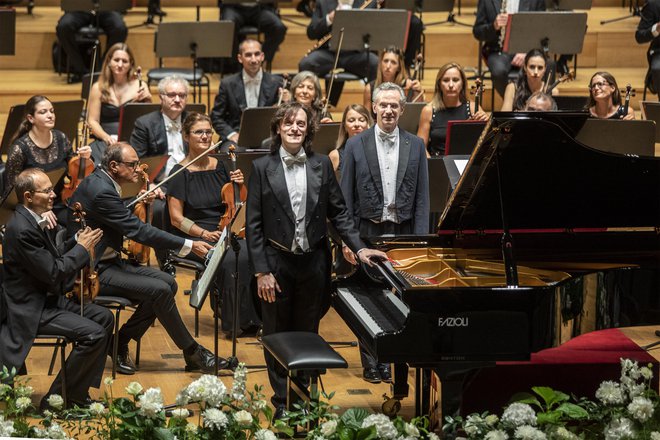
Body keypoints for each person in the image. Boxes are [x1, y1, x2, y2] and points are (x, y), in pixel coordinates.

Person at [245, 101, 386, 418]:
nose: (295, 128)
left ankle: (302, 398)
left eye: (301, 124)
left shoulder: (321, 164)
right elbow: (253, 225)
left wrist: (360, 249)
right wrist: (261, 271)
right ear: (278, 128)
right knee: (276, 331)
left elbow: (339, 213)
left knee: (308, 330)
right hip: (276, 263)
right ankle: (282, 401)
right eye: (288, 123)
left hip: (313, 264)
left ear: (309, 130)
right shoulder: (261, 168)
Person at [67, 143, 228, 375]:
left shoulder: (101, 181)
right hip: (91, 270)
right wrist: (189, 244)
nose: (137, 169)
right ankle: (193, 352)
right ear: (114, 166)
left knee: (169, 283)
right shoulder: (101, 190)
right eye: (132, 165)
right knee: (160, 290)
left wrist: (137, 200)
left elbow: (115, 213)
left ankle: (119, 342)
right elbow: (138, 231)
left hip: (109, 261)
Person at [0, 168, 111, 409]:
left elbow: (53, 257)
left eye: (52, 188)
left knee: (104, 318)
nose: (54, 194)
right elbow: (53, 272)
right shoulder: (21, 229)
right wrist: (81, 249)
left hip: (48, 298)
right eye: (47, 190)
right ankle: (55, 400)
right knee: (94, 335)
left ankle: (77, 392)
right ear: (28, 196)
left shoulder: (34, 218)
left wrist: (74, 242)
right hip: (32, 308)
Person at [340, 83, 430, 382]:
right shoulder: (355, 145)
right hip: (367, 232)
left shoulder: (416, 145)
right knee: (368, 297)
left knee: (400, 299)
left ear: (402, 110)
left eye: (395, 105)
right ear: (374, 108)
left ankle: (392, 359)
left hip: (403, 233)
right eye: (384, 105)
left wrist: (419, 243)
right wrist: (348, 242)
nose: (389, 110)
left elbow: (422, 199)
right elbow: (346, 198)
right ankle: (371, 361)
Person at [167, 113, 261, 335]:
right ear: (186, 136)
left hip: (228, 229)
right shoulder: (179, 172)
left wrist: (240, 185)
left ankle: (256, 319)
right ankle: (235, 322)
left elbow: (238, 204)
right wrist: (205, 233)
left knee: (255, 253)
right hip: (198, 234)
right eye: (199, 132)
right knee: (231, 259)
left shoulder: (224, 166)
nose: (205, 136)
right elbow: (176, 219)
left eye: (208, 131)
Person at [4, 95, 93, 225]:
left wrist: (85, 158)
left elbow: (74, 171)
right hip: (32, 208)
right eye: (43, 112)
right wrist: (39, 209)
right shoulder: (19, 149)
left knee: (86, 220)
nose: (50, 115)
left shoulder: (61, 138)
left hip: (60, 201)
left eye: (51, 111)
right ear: (31, 118)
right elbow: (12, 192)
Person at [299, 0, 379, 105]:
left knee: (376, 63)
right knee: (306, 64)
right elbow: (311, 32)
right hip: (329, 54)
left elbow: (375, 31)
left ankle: (372, 109)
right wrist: (329, 18)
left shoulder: (368, 3)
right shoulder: (323, 2)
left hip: (356, 55)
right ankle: (310, 108)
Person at [211, 39, 282, 151]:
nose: (254, 59)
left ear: (262, 56)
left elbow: (284, 115)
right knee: (232, 153)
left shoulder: (276, 82)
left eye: (257, 54)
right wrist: (231, 134)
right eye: (248, 55)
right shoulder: (227, 84)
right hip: (236, 137)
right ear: (240, 58)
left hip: (268, 137)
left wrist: (287, 101)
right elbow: (216, 116)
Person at [87, 43, 152, 163]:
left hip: (132, 139)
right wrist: (107, 138)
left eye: (125, 61)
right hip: (105, 139)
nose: (120, 65)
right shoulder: (98, 87)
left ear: (131, 64)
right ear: (109, 62)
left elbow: (149, 118)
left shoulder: (140, 86)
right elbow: (92, 121)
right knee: (96, 164)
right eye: (116, 60)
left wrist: (147, 100)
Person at [472, 0, 546, 97]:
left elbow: (541, 28)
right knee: (498, 71)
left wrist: (527, 52)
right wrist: (493, 26)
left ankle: (535, 103)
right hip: (498, 51)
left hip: (527, 50)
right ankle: (514, 103)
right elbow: (477, 32)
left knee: (550, 65)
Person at [417, 63, 489, 156]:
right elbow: (420, 147)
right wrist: (433, 165)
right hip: (437, 163)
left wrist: (487, 123)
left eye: (455, 80)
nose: (451, 85)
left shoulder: (472, 108)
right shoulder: (428, 111)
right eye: (446, 80)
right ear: (439, 84)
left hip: (466, 164)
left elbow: (485, 144)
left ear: (462, 83)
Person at [130, 76, 193, 179]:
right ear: (161, 97)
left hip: (190, 179)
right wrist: (148, 184)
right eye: (172, 95)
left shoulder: (193, 121)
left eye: (182, 95)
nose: (177, 100)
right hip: (159, 184)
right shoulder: (144, 124)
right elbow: (136, 161)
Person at [56, 11, 127, 83]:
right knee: (63, 27)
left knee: (120, 29)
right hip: (78, 10)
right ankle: (81, 70)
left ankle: (101, 70)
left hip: (106, 10)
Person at [219, 0, 287, 67]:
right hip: (234, 8)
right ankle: (237, 64)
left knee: (279, 28)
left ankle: (258, 60)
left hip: (259, 8)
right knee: (227, 27)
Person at [363, 46, 424, 111]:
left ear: (399, 67)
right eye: (385, 61)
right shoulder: (369, 89)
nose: (388, 66)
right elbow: (368, 118)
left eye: (393, 62)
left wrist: (418, 93)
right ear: (381, 63)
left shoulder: (407, 86)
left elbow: (416, 114)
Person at [329, 103, 373, 174]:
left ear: (368, 124)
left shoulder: (376, 152)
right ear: (344, 126)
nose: (357, 124)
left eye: (361, 120)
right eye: (351, 120)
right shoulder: (335, 156)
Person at [636, 0, 660, 99]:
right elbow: (639, 36)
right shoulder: (653, 4)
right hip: (659, 51)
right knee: (658, 69)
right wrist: (656, 30)